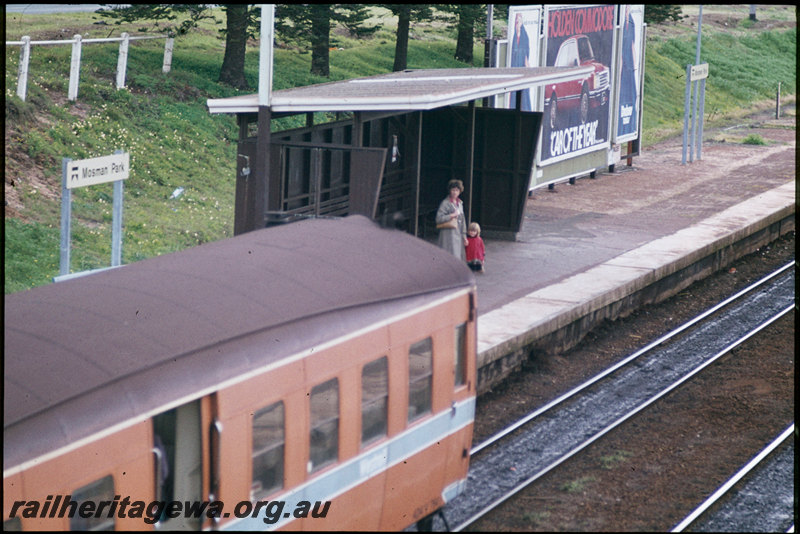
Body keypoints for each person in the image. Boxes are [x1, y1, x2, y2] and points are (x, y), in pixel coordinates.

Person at [436, 179, 467, 260]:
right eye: (453, 190)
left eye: (457, 190)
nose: (454, 192)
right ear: (450, 190)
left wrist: (464, 236)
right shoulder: (445, 203)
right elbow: (438, 219)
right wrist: (451, 215)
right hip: (448, 234)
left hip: (458, 235)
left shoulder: (460, 203)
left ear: (460, 191)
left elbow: (463, 220)